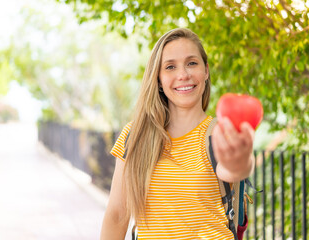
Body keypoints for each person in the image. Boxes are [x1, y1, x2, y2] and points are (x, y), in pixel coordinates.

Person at [100, 28, 255, 240]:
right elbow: (117, 215)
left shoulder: (220, 133)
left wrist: (242, 161)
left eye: (192, 63)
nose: (183, 75)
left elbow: (235, 169)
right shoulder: (134, 135)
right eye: (170, 67)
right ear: (159, 79)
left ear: (206, 71)